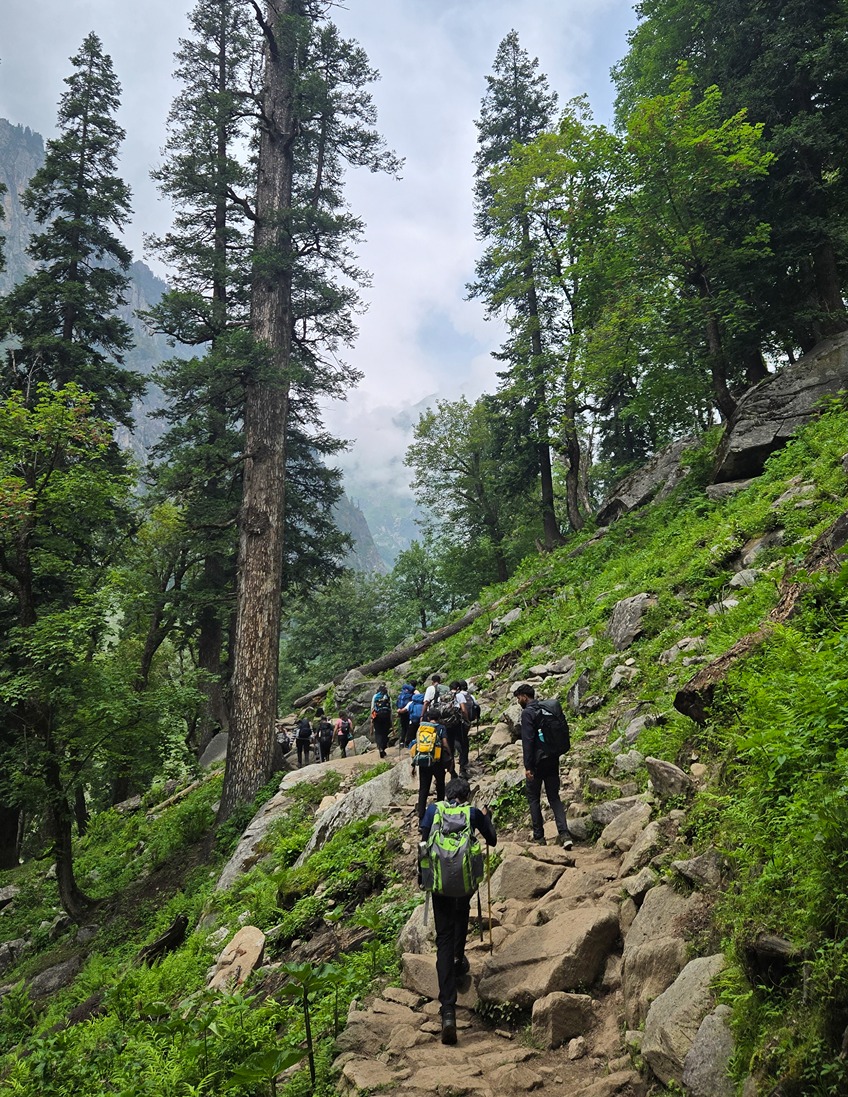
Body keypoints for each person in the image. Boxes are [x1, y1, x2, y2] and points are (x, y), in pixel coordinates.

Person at [420, 777, 497, 1045]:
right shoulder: (471, 813)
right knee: (461, 916)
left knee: (442, 938)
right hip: (463, 885)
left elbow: (424, 835)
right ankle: (458, 958)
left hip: (440, 884)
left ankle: (448, 1011)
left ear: (446, 794)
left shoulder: (433, 810)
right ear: (465, 796)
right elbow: (493, 840)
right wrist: (486, 819)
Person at [513, 683, 573, 849]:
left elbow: (528, 741)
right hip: (552, 757)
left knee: (533, 798)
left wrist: (528, 766)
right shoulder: (545, 709)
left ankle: (539, 837)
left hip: (537, 762)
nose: (518, 701)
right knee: (554, 797)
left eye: (519, 698)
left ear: (525, 696)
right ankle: (565, 834)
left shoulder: (528, 713)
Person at [414, 720, 454, 821]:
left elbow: (417, 745)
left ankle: (421, 819)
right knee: (440, 786)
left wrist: (413, 765)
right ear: (439, 717)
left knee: (423, 790)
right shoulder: (441, 728)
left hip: (424, 762)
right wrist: (450, 756)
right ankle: (439, 814)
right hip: (438, 762)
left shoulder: (422, 728)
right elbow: (444, 743)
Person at [448, 679, 471, 780]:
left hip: (447, 725)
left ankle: (451, 771)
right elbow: (464, 709)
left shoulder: (443, 697)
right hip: (457, 725)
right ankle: (462, 770)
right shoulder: (459, 695)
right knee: (464, 745)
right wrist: (467, 720)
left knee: (450, 748)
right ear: (458, 688)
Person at [370, 683, 393, 758]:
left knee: (378, 733)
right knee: (385, 733)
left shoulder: (375, 696)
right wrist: (391, 723)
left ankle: (380, 747)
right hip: (386, 717)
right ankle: (383, 748)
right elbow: (391, 710)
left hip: (377, 717)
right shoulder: (388, 697)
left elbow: (372, 708)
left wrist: (371, 721)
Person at [396, 679, 417, 747]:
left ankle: (401, 742)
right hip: (409, 712)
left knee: (403, 727)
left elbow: (398, 701)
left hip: (401, 710)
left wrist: (399, 711)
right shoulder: (413, 692)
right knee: (409, 727)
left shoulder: (403, 691)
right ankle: (408, 742)